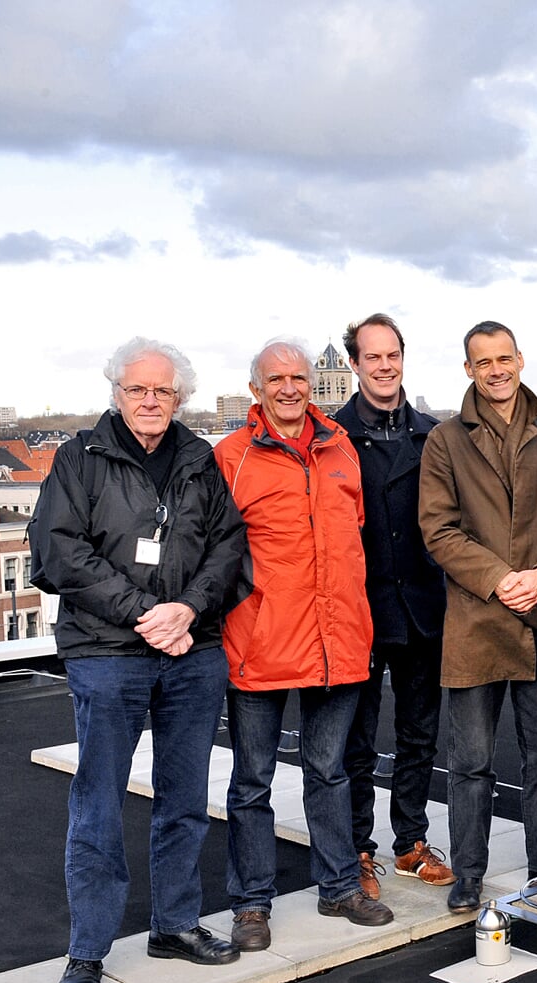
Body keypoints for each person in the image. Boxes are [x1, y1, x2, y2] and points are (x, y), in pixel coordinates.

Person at [34, 338, 246, 983]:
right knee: (98, 804)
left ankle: (175, 924)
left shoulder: (198, 459)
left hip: (191, 649)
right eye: (138, 390)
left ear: (179, 397)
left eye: (163, 391)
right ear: (116, 393)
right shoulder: (79, 459)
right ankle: (88, 950)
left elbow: (229, 546)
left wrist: (185, 609)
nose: (151, 401)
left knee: (185, 796)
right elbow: (57, 552)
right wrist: (145, 615)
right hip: (107, 654)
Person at [214, 338, 394, 952]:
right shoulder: (231, 457)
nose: (290, 388)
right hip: (261, 642)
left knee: (329, 771)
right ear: (256, 389)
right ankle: (251, 903)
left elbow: (357, 538)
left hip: (336, 641)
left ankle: (339, 885)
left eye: (299, 377)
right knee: (252, 782)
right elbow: (214, 552)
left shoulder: (340, 448)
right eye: (277, 379)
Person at [421, 320, 537, 914]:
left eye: (505, 358)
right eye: (484, 362)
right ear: (469, 370)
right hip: (476, 620)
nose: (496, 370)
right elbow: (438, 530)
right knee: (471, 760)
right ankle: (469, 874)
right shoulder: (445, 441)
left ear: (521, 360)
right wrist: (501, 579)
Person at [332, 314, 454, 899]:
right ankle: (359, 848)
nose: (384, 366)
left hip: (423, 606)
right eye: (372, 356)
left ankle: (410, 842)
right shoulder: (330, 436)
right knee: (356, 740)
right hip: (358, 609)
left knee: (419, 733)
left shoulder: (434, 435)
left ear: (403, 359)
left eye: (393, 355)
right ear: (355, 364)